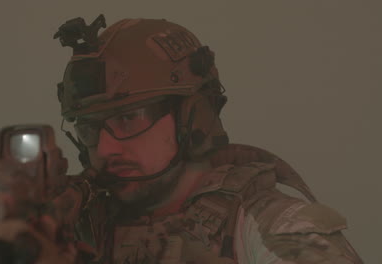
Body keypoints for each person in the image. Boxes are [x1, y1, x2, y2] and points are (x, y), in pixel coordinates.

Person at [49, 15, 363, 263]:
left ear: (192, 117)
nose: (104, 148)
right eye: (89, 128)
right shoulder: (70, 225)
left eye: (128, 118)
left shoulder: (275, 228)